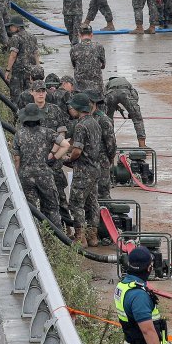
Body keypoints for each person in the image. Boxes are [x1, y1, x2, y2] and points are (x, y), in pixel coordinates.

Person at [13, 106, 65, 229]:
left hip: (26, 177)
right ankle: (57, 239)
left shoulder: (19, 134)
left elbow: (17, 158)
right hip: (45, 176)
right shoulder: (47, 132)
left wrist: (16, 175)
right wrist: (53, 157)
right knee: (52, 208)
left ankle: (34, 236)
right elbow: (65, 145)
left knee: (29, 209)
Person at [66, 93, 104, 245]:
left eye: (72, 107)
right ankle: (92, 236)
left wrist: (68, 159)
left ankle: (80, 238)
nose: (70, 109)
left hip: (83, 170)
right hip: (95, 168)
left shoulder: (80, 126)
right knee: (92, 202)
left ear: (78, 108)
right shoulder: (95, 122)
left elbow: (77, 150)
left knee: (76, 203)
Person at [4, 18, 39, 101]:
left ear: (17, 27)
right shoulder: (32, 37)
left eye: (11, 26)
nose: (10, 28)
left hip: (19, 71)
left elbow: (13, 55)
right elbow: (36, 53)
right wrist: (38, 68)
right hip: (31, 71)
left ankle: (17, 112)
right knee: (30, 94)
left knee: (16, 95)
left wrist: (7, 70)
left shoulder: (15, 38)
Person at [70, 25, 106, 97]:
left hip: (80, 86)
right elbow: (103, 64)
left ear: (80, 35)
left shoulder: (74, 48)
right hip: (96, 85)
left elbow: (74, 65)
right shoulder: (99, 47)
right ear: (91, 35)